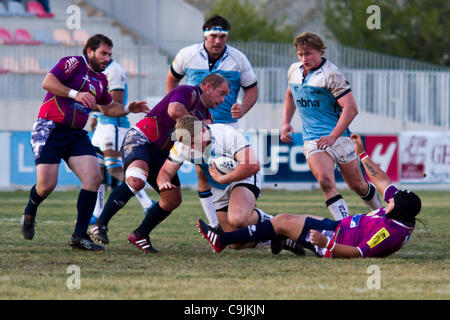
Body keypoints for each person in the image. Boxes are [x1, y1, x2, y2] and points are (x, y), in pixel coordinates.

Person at [20, 34, 149, 251]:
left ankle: (79, 236)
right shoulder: (73, 63)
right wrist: (75, 94)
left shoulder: (102, 79)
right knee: (46, 185)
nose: (107, 58)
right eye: (103, 53)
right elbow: (47, 82)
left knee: (94, 178)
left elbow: (108, 108)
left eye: (109, 54)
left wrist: (128, 109)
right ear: (89, 51)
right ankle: (30, 209)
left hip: (76, 135)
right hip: (50, 128)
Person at [198, 134, 422, 259]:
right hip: (337, 228)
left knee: (282, 221)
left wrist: (328, 244)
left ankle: (223, 240)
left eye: (391, 201)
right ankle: (279, 238)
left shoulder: (389, 232)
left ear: (398, 210)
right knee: (283, 221)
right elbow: (382, 181)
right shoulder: (400, 211)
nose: (388, 200)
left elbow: (359, 252)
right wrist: (362, 154)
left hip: (335, 242)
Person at [89, 73, 230, 253]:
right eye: (222, 93)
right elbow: (175, 111)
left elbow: (207, 141)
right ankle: (100, 224)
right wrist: (200, 129)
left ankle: (140, 234)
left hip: (163, 153)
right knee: (136, 180)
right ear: (208, 86)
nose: (224, 100)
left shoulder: (206, 114)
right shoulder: (188, 91)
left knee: (172, 199)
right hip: (141, 139)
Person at [157, 115, 303, 255]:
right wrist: (163, 181)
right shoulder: (182, 146)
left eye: (194, 142)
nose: (192, 148)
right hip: (219, 187)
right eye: (189, 145)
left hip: (243, 177)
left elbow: (252, 165)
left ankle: (277, 222)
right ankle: (278, 236)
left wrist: (223, 179)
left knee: (237, 219)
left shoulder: (225, 134)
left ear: (202, 129)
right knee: (235, 242)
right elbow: (165, 171)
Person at [166, 14, 259, 229]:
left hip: (228, 127)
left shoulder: (238, 59)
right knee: (203, 173)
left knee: (231, 172)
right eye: (213, 36)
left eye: (222, 37)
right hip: (198, 126)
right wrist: (174, 107)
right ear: (205, 36)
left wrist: (243, 107)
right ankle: (215, 223)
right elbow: (172, 78)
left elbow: (252, 88)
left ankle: (239, 213)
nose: (218, 41)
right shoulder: (187, 55)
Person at [280, 32, 381, 221]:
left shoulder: (331, 74)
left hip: (339, 138)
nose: (304, 58)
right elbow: (290, 94)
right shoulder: (294, 70)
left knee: (358, 186)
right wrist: (286, 122)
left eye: (309, 53)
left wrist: (333, 136)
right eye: (301, 54)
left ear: (320, 51)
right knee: (326, 182)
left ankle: (382, 215)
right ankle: (344, 226)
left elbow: (351, 109)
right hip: (313, 140)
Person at [90, 58, 154, 225]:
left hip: (114, 126)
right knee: (98, 171)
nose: (104, 56)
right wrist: (94, 117)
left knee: (114, 169)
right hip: (102, 126)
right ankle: (97, 212)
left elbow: (115, 103)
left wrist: (88, 103)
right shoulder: (96, 71)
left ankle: (147, 204)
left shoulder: (114, 70)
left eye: (106, 53)